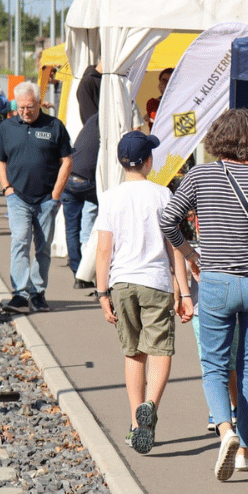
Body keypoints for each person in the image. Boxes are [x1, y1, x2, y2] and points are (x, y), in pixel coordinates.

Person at [159, 108, 248, 481]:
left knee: (214, 365)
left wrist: (190, 253)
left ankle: (225, 430)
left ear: (216, 140)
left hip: (214, 281)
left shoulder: (199, 175)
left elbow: (168, 220)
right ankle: (244, 450)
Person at [94, 130, 191, 455]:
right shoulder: (163, 195)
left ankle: (136, 424)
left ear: (122, 163)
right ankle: (151, 404)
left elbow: (104, 250)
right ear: (148, 161)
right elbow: (174, 246)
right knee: (161, 349)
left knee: (133, 352)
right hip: (156, 282)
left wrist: (102, 292)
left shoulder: (110, 197)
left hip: (122, 283)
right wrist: (183, 289)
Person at [0, 81, 71, 314]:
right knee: (20, 241)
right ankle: (19, 294)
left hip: (46, 198)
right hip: (17, 197)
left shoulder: (55, 126)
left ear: (39, 103)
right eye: (21, 107)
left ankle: (38, 293)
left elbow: (66, 160)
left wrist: (56, 194)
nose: (25, 112)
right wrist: (7, 187)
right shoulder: (7, 128)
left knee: (43, 247)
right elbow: (0, 160)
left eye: (30, 107)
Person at [62, 116, 100, 287]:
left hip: (69, 177)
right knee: (108, 217)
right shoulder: (111, 123)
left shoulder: (91, 120)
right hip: (88, 180)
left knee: (71, 228)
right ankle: (92, 272)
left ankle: (78, 275)